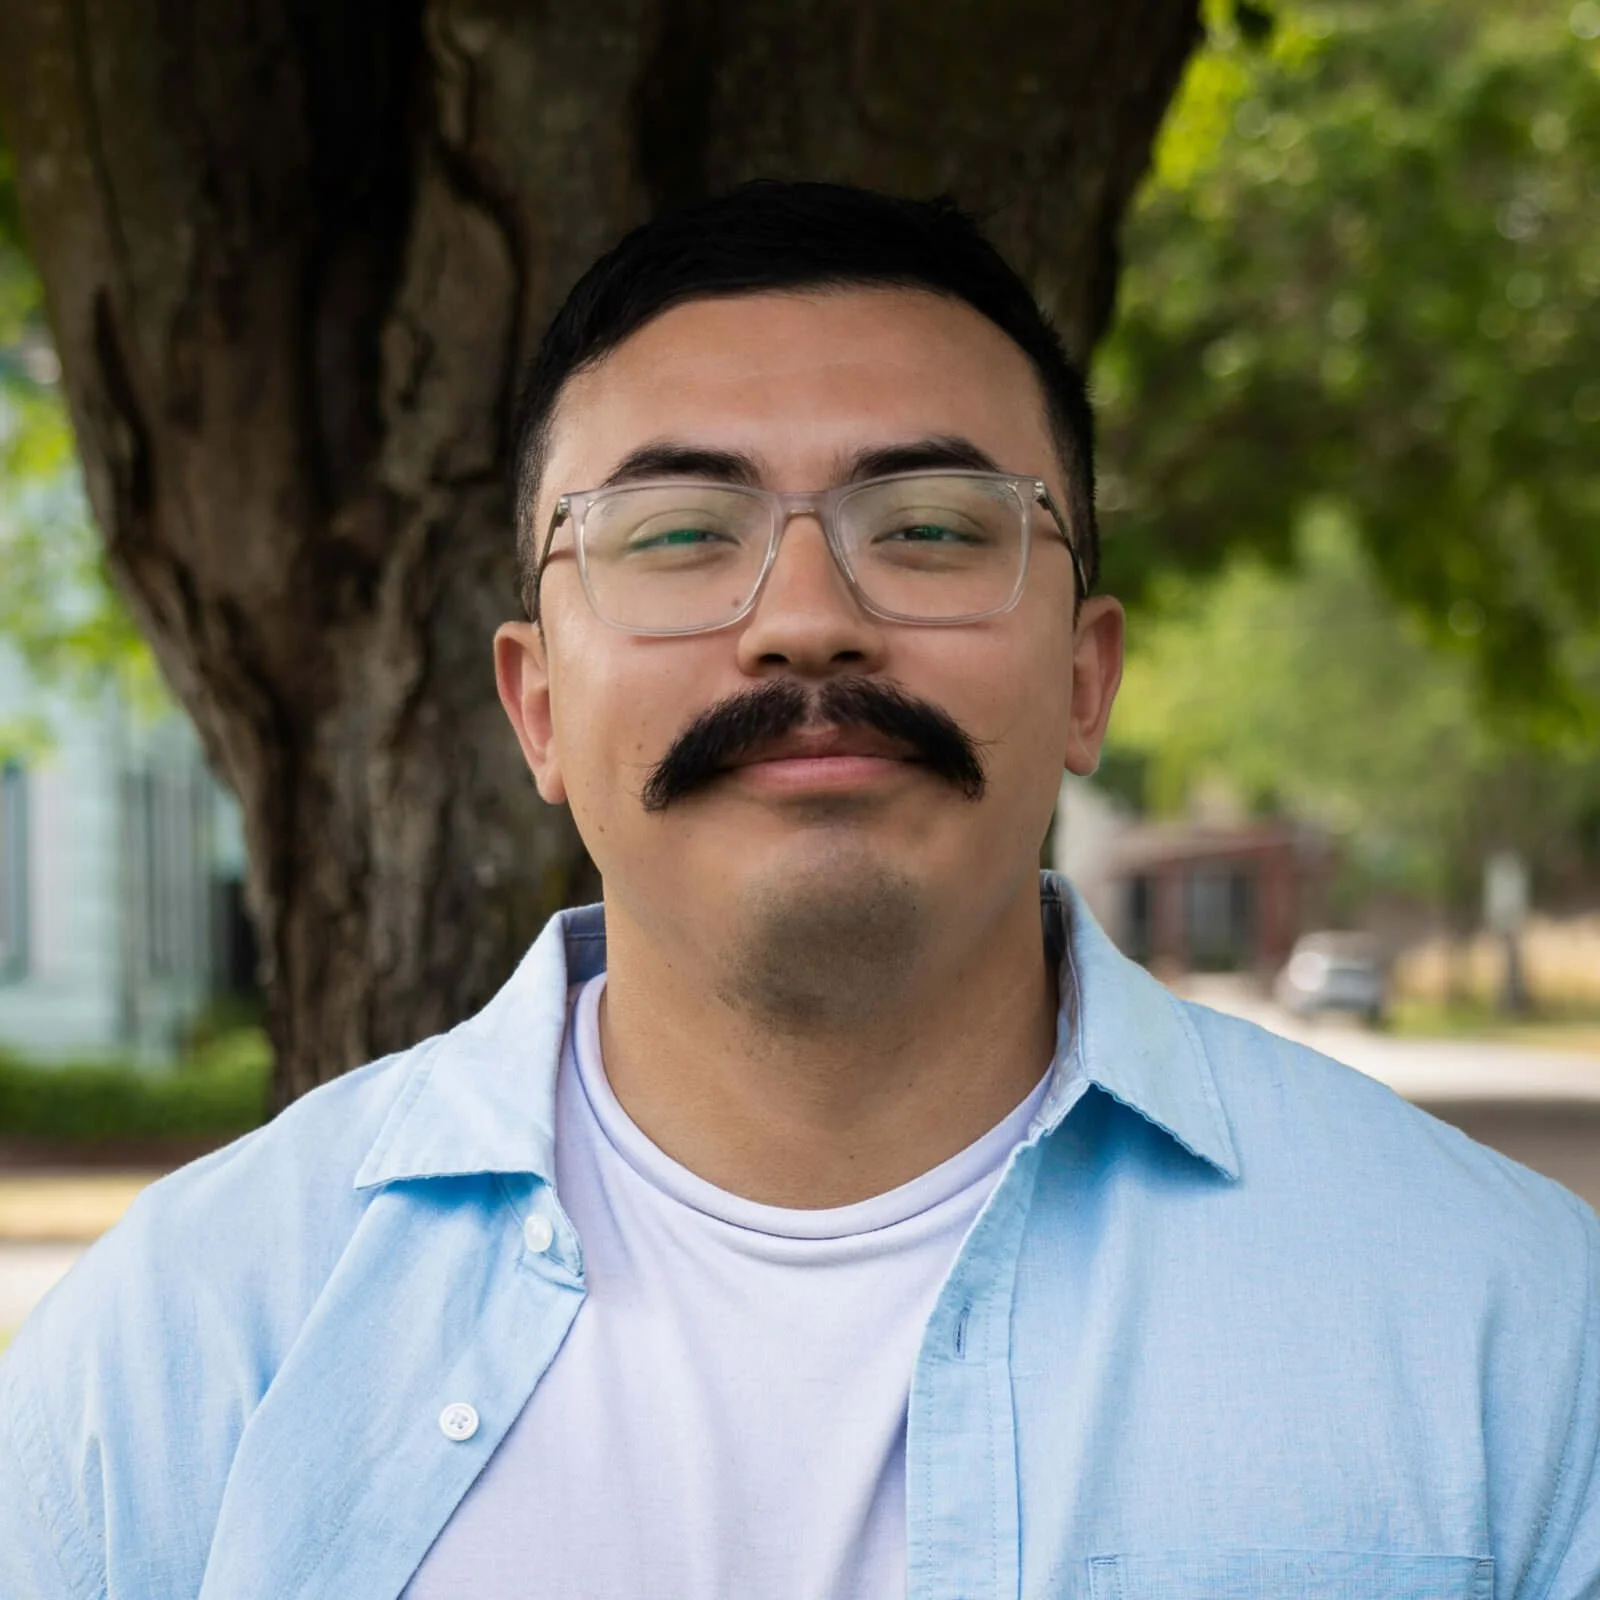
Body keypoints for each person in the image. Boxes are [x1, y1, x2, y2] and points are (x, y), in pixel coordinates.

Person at [1, 182, 1595, 1600]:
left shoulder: (1511, 1334)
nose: (808, 621)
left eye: (929, 527)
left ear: (1086, 680)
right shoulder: (178, 1358)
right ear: (538, 705)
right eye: (683, 533)